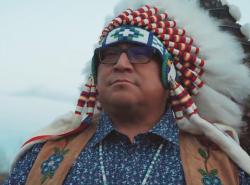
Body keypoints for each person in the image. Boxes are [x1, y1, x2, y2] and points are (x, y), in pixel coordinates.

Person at [4, 0, 250, 184]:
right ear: (95, 75)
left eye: (140, 53)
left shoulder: (225, 165)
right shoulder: (40, 158)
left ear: (169, 74)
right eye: (109, 55)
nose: (121, 63)